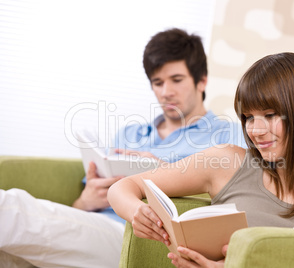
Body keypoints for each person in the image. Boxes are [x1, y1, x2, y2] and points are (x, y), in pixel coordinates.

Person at [108, 52, 294, 268]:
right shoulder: (225, 163)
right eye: (249, 118)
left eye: (270, 116)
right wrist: (136, 211)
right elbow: (122, 187)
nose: (256, 131)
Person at [0, 28, 245, 268]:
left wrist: (162, 171)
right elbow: (76, 210)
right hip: (89, 225)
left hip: (135, 236)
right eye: (157, 83)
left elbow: (241, 199)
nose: (166, 92)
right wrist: (87, 200)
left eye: (176, 80)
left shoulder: (227, 137)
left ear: (202, 81)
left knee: (11, 210)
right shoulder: (129, 134)